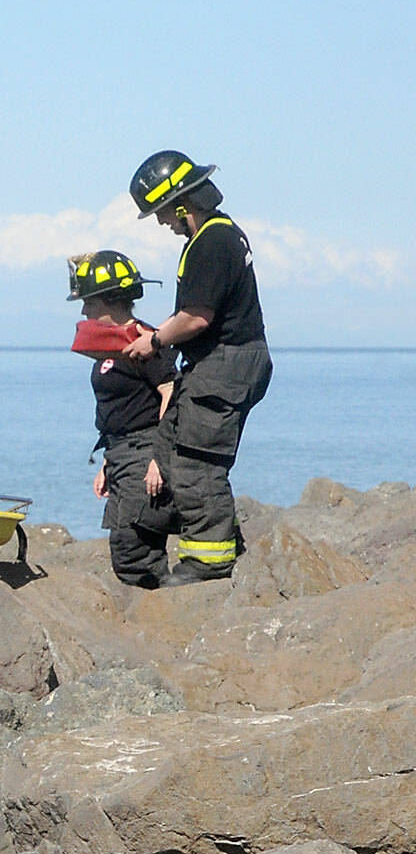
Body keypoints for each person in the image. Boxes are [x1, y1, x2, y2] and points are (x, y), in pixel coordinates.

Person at [121, 150, 271, 585]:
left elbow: (197, 317)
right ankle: (193, 544)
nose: (160, 222)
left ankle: (210, 560)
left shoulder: (212, 240)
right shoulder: (215, 236)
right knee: (169, 447)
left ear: (182, 204)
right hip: (217, 361)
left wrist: (154, 340)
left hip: (227, 361)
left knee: (197, 463)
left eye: (161, 211)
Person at [69, 250, 179, 587]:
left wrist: (159, 459)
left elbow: (170, 392)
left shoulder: (142, 341)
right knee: (124, 545)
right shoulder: (107, 346)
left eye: (89, 302)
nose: (84, 310)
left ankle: (164, 609)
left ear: (111, 301)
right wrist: (107, 464)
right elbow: (122, 407)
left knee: (135, 545)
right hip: (119, 453)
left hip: (146, 449)